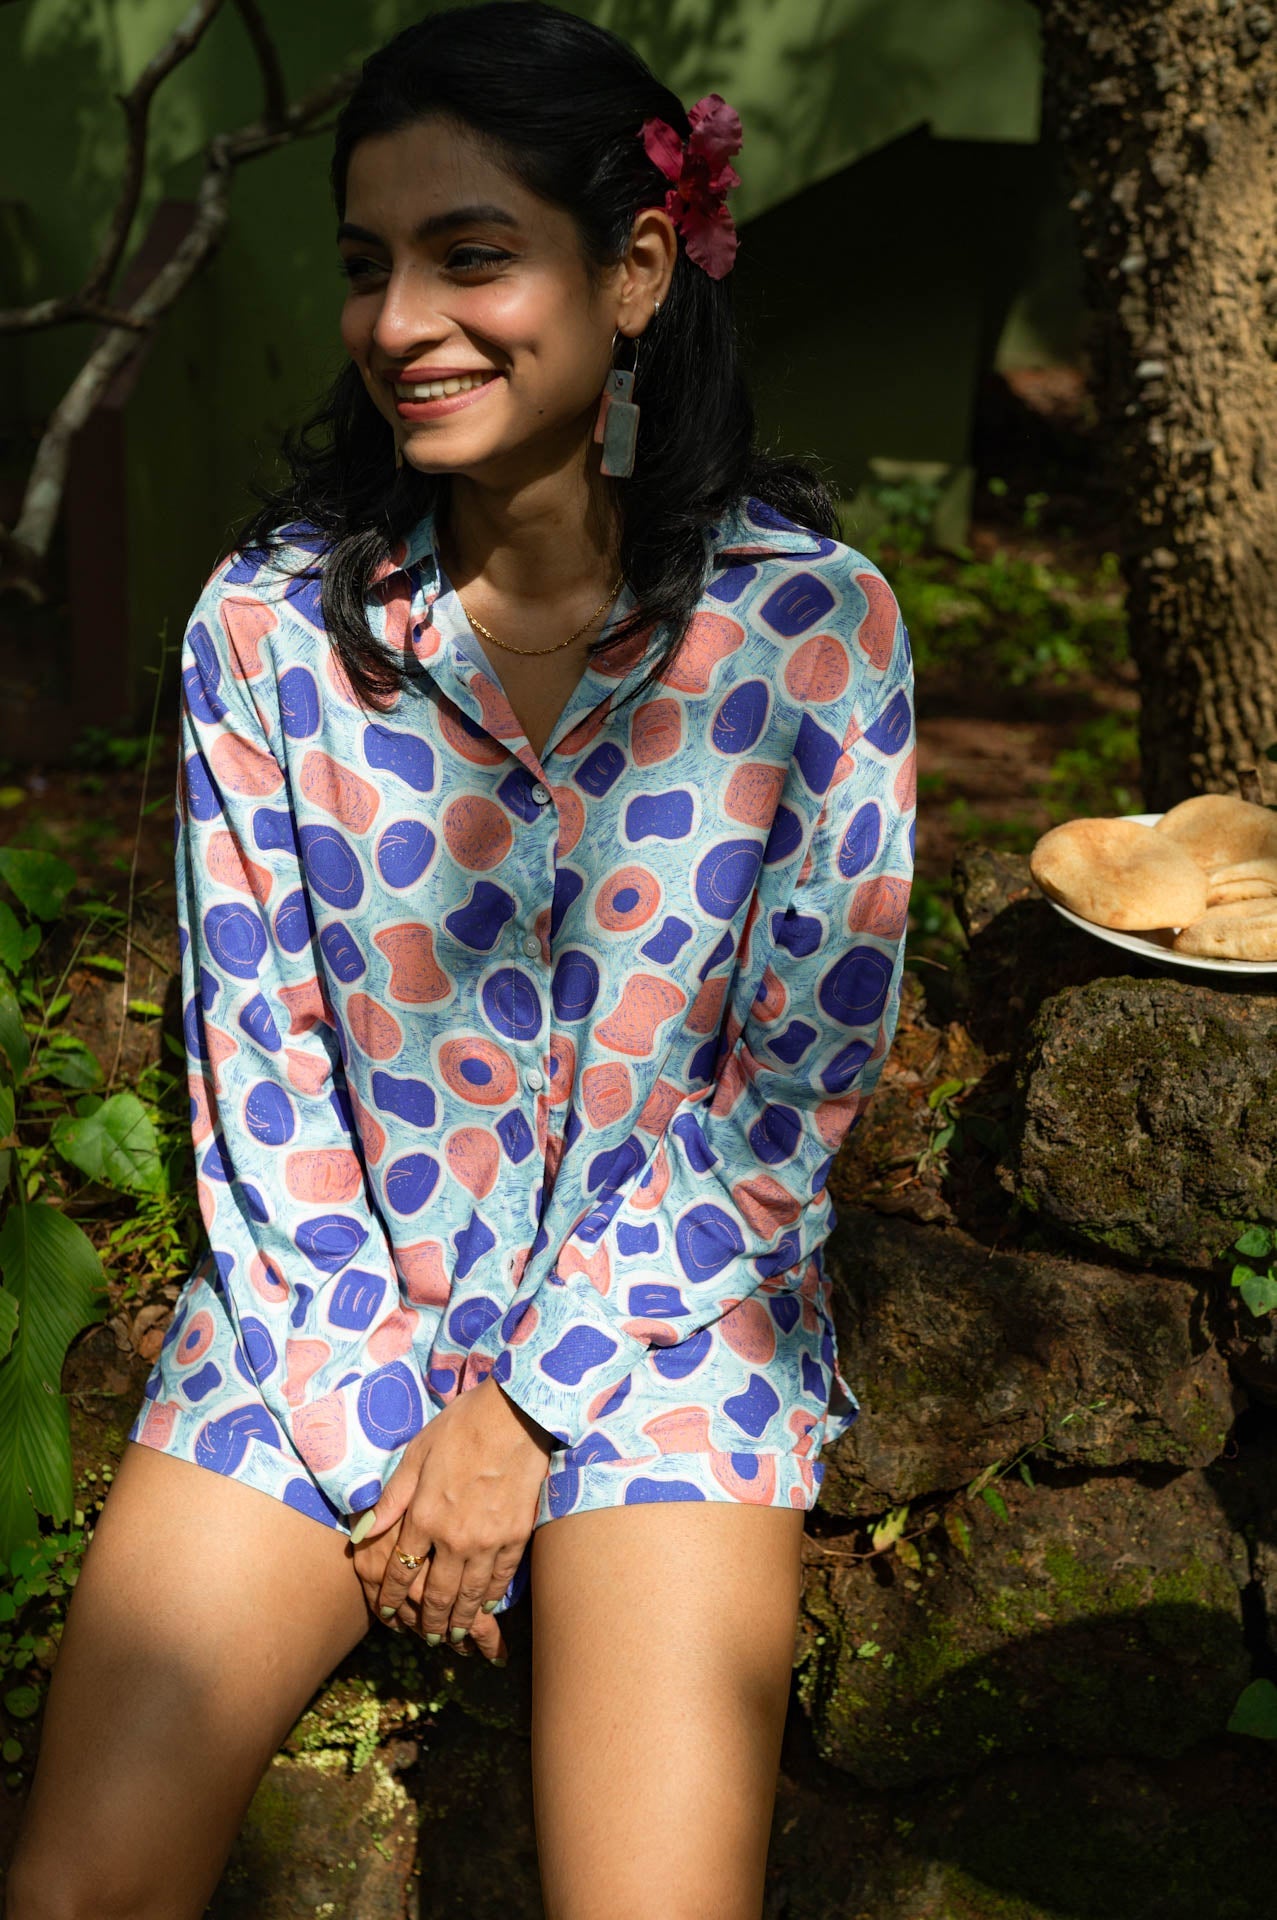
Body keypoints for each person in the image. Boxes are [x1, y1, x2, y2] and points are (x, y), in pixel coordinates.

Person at [6, 5, 915, 1915]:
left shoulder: (811, 632)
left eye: (470, 255)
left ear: (637, 267)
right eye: (368, 265)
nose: (403, 320)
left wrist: (521, 1412)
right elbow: (260, 1076)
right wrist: (389, 1447)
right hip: (319, 1328)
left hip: (668, 1341)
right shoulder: (267, 629)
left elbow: (784, 1101)